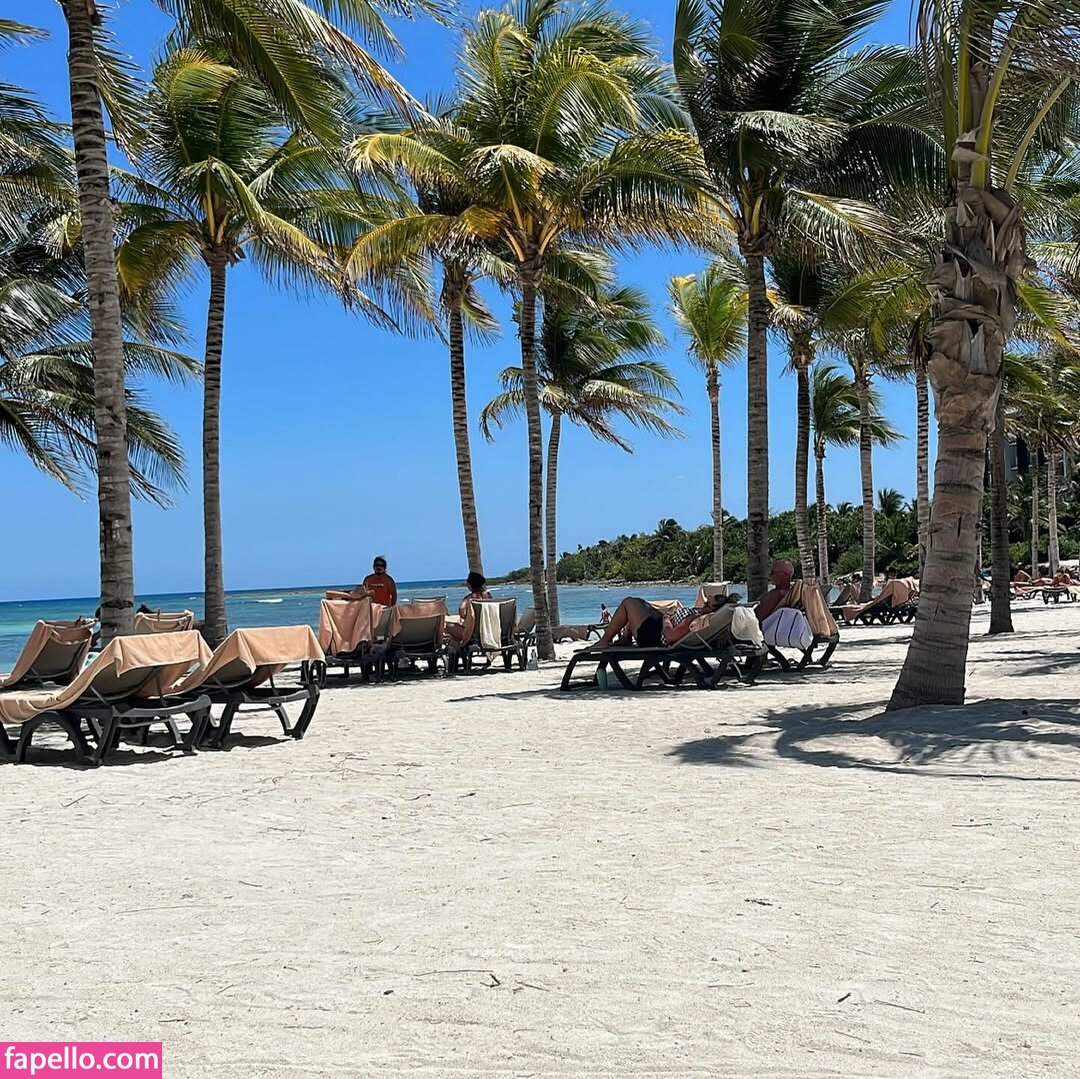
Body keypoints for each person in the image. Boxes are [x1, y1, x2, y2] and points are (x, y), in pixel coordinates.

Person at [589, 593, 727, 650]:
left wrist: (666, 619)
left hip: (654, 637)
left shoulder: (695, 619)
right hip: (658, 626)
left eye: (708, 602)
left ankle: (604, 640)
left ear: (712, 608)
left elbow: (670, 636)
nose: (706, 601)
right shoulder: (704, 616)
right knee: (640, 603)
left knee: (628, 602)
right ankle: (626, 638)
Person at [446, 572, 493, 644]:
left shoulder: (469, 598)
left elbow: (462, 611)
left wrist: (468, 617)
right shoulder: (489, 597)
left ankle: (457, 645)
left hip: (472, 633)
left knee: (448, 625)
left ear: (469, 585)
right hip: (489, 631)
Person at [754, 559, 795, 624]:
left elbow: (757, 616)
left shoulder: (777, 595)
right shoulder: (792, 593)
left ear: (786, 574)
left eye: (773, 572)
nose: (770, 575)